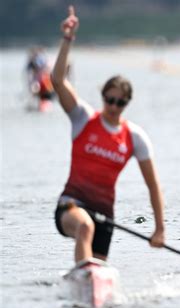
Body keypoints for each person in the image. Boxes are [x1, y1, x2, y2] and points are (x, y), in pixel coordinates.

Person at [51, 6, 165, 263]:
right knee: (84, 227)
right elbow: (57, 81)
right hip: (71, 206)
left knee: (98, 263)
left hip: (105, 213)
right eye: (109, 99)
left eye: (120, 102)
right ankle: (84, 274)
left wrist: (159, 228)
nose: (113, 106)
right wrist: (68, 38)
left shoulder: (135, 137)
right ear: (103, 97)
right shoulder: (83, 118)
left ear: (127, 103)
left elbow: (153, 185)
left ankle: (88, 279)